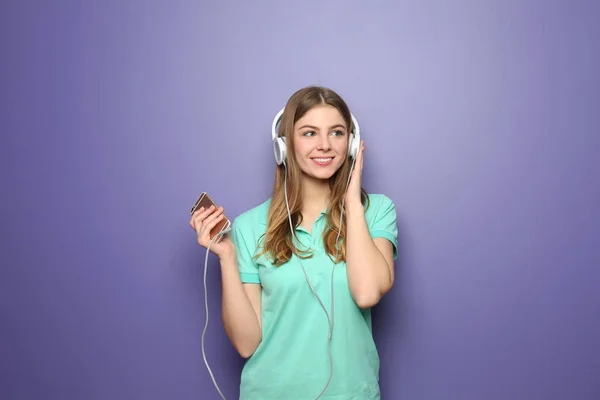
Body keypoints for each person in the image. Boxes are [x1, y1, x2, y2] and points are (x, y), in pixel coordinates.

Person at [190, 86, 398, 400]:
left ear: (352, 144)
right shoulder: (249, 227)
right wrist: (227, 257)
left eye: (337, 133)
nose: (325, 145)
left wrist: (352, 202)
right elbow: (247, 344)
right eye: (309, 133)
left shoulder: (377, 211)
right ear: (283, 147)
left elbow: (367, 293)